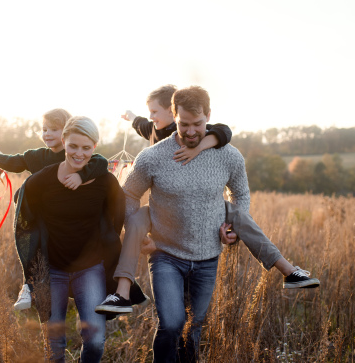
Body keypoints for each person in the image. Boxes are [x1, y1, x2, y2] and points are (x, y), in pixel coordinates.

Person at [102, 86, 319, 362]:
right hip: (165, 254)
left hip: (207, 258)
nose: (191, 131)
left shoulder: (228, 155)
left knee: (193, 328)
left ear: (209, 116)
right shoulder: (153, 157)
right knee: (171, 325)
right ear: (173, 115)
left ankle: (289, 273)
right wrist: (135, 229)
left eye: (197, 124)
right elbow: (129, 193)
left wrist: (232, 230)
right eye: (183, 124)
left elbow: (240, 193)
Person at [95, 85, 232, 314]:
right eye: (149, 112)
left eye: (155, 111)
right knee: (134, 221)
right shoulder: (152, 131)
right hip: (161, 208)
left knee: (190, 308)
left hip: (186, 211)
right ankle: (122, 292)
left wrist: (198, 147)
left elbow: (223, 131)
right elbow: (140, 123)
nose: (151, 117)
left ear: (173, 112)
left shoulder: (189, 130)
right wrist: (130, 116)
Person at [0, 108, 109, 310]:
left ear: (66, 133)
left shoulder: (77, 153)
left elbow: (101, 162)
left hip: (69, 218)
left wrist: (80, 176)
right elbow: (14, 162)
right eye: (44, 129)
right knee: (31, 244)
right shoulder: (36, 156)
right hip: (43, 216)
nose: (46, 134)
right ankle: (29, 285)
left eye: (53, 129)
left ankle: (85, 285)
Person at [18, 116, 123, 362]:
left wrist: (106, 242)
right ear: (63, 141)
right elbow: (23, 214)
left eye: (86, 148)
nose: (79, 153)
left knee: (95, 341)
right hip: (52, 269)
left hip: (90, 269)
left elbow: (117, 214)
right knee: (54, 345)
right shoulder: (42, 180)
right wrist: (33, 264)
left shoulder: (105, 180)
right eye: (73, 146)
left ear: (94, 148)